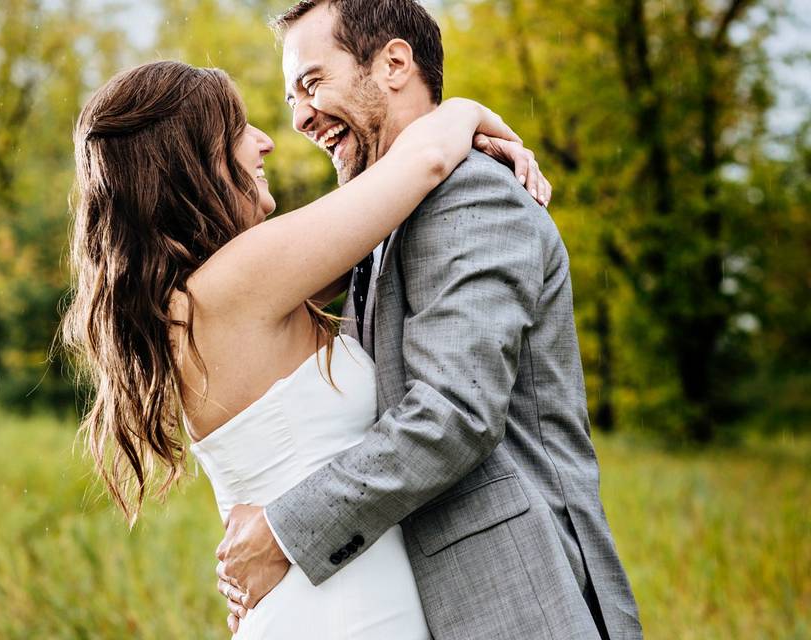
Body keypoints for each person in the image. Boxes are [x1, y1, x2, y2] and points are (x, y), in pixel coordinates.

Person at [63, 59, 546, 639]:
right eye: (238, 128)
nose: (264, 141)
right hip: (342, 612)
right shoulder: (236, 282)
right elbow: (426, 161)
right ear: (189, 158)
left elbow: (382, 237)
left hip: (324, 598)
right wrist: (467, 112)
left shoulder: (206, 298)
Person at [214, 1, 644, 639]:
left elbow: (454, 416)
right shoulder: (384, 219)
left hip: (517, 603)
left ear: (392, 64)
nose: (299, 116)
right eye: (292, 97)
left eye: (311, 83)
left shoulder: (472, 193)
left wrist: (283, 531)